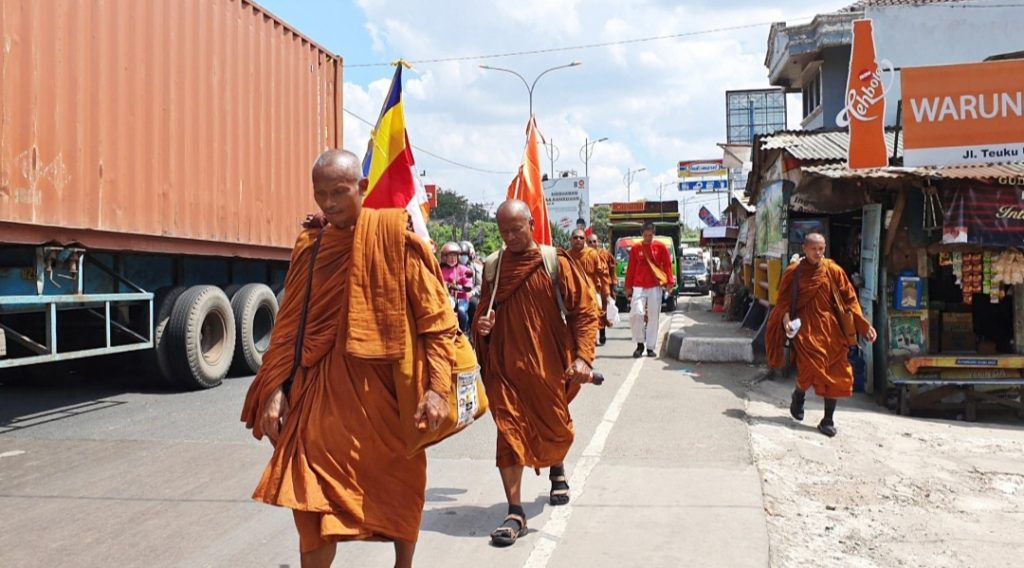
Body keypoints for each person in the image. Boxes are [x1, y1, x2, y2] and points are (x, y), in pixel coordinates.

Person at [240, 149, 458, 568]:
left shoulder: (396, 241)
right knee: (309, 499)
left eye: (339, 192)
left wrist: (436, 390)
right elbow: (289, 326)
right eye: (320, 194)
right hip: (317, 399)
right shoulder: (311, 247)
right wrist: (274, 389)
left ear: (362, 187)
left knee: (398, 487)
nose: (329, 203)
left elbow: (436, 322)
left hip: (384, 400)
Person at [473, 199, 601, 548]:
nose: (510, 237)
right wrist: (482, 327)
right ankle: (515, 512)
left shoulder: (555, 262)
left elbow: (585, 312)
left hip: (548, 366)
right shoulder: (493, 268)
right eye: (504, 231)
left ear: (531, 224)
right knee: (509, 433)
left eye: (516, 229)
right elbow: (483, 314)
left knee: (553, 426)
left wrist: (583, 358)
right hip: (505, 369)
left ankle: (556, 467)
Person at [766, 232, 877, 438]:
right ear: (804, 249)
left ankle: (828, 420)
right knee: (808, 369)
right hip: (807, 330)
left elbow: (850, 298)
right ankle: (799, 395)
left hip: (832, 331)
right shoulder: (794, 272)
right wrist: (786, 321)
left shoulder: (833, 270)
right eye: (814, 249)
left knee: (836, 372)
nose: (818, 253)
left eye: (821, 249)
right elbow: (783, 303)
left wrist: (863, 325)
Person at [625, 222, 674, 358]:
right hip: (639, 285)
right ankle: (640, 343)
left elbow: (667, 266)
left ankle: (651, 347)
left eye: (650, 235)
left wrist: (670, 282)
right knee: (636, 313)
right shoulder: (636, 248)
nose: (648, 238)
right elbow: (631, 268)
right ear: (642, 234)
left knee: (653, 317)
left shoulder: (661, 247)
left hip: (655, 286)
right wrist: (628, 286)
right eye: (645, 235)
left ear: (654, 233)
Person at [566, 228, 607, 345]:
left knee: (594, 316)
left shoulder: (592, 254)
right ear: (570, 240)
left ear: (584, 240)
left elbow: (602, 273)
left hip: (591, 293)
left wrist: (606, 292)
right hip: (572, 296)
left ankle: (593, 339)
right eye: (575, 238)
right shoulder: (565, 256)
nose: (578, 240)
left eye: (581, 238)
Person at [587, 233, 617, 345]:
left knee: (602, 312)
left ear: (598, 242)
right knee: (592, 312)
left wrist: (613, 284)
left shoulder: (605, 254)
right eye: (590, 242)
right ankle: (593, 337)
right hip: (590, 287)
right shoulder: (584, 255)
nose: (592, 244)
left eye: (594, 241)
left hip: (604, 286)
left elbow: (612, 268)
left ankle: (602, 333)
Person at [440, 241, 474, 333]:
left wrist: (466, 286)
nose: (453, 259)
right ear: (445, 257)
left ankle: (465, 330)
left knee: (461, 311)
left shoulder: (463, 269)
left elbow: (468, 282)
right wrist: (446, 285)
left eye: (455, 256)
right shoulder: (440, 270)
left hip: (461, 297)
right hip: (446, 297)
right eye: (450, 256)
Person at [459, 240, 482, 326]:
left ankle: (472, 328)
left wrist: (472, 292)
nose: (462, 257)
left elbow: (479, 285)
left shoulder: (476, 267)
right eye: (461, 254)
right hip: (456, 294)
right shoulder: (453, 266)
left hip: (471, 294)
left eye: (464, 254)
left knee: (473, 304)